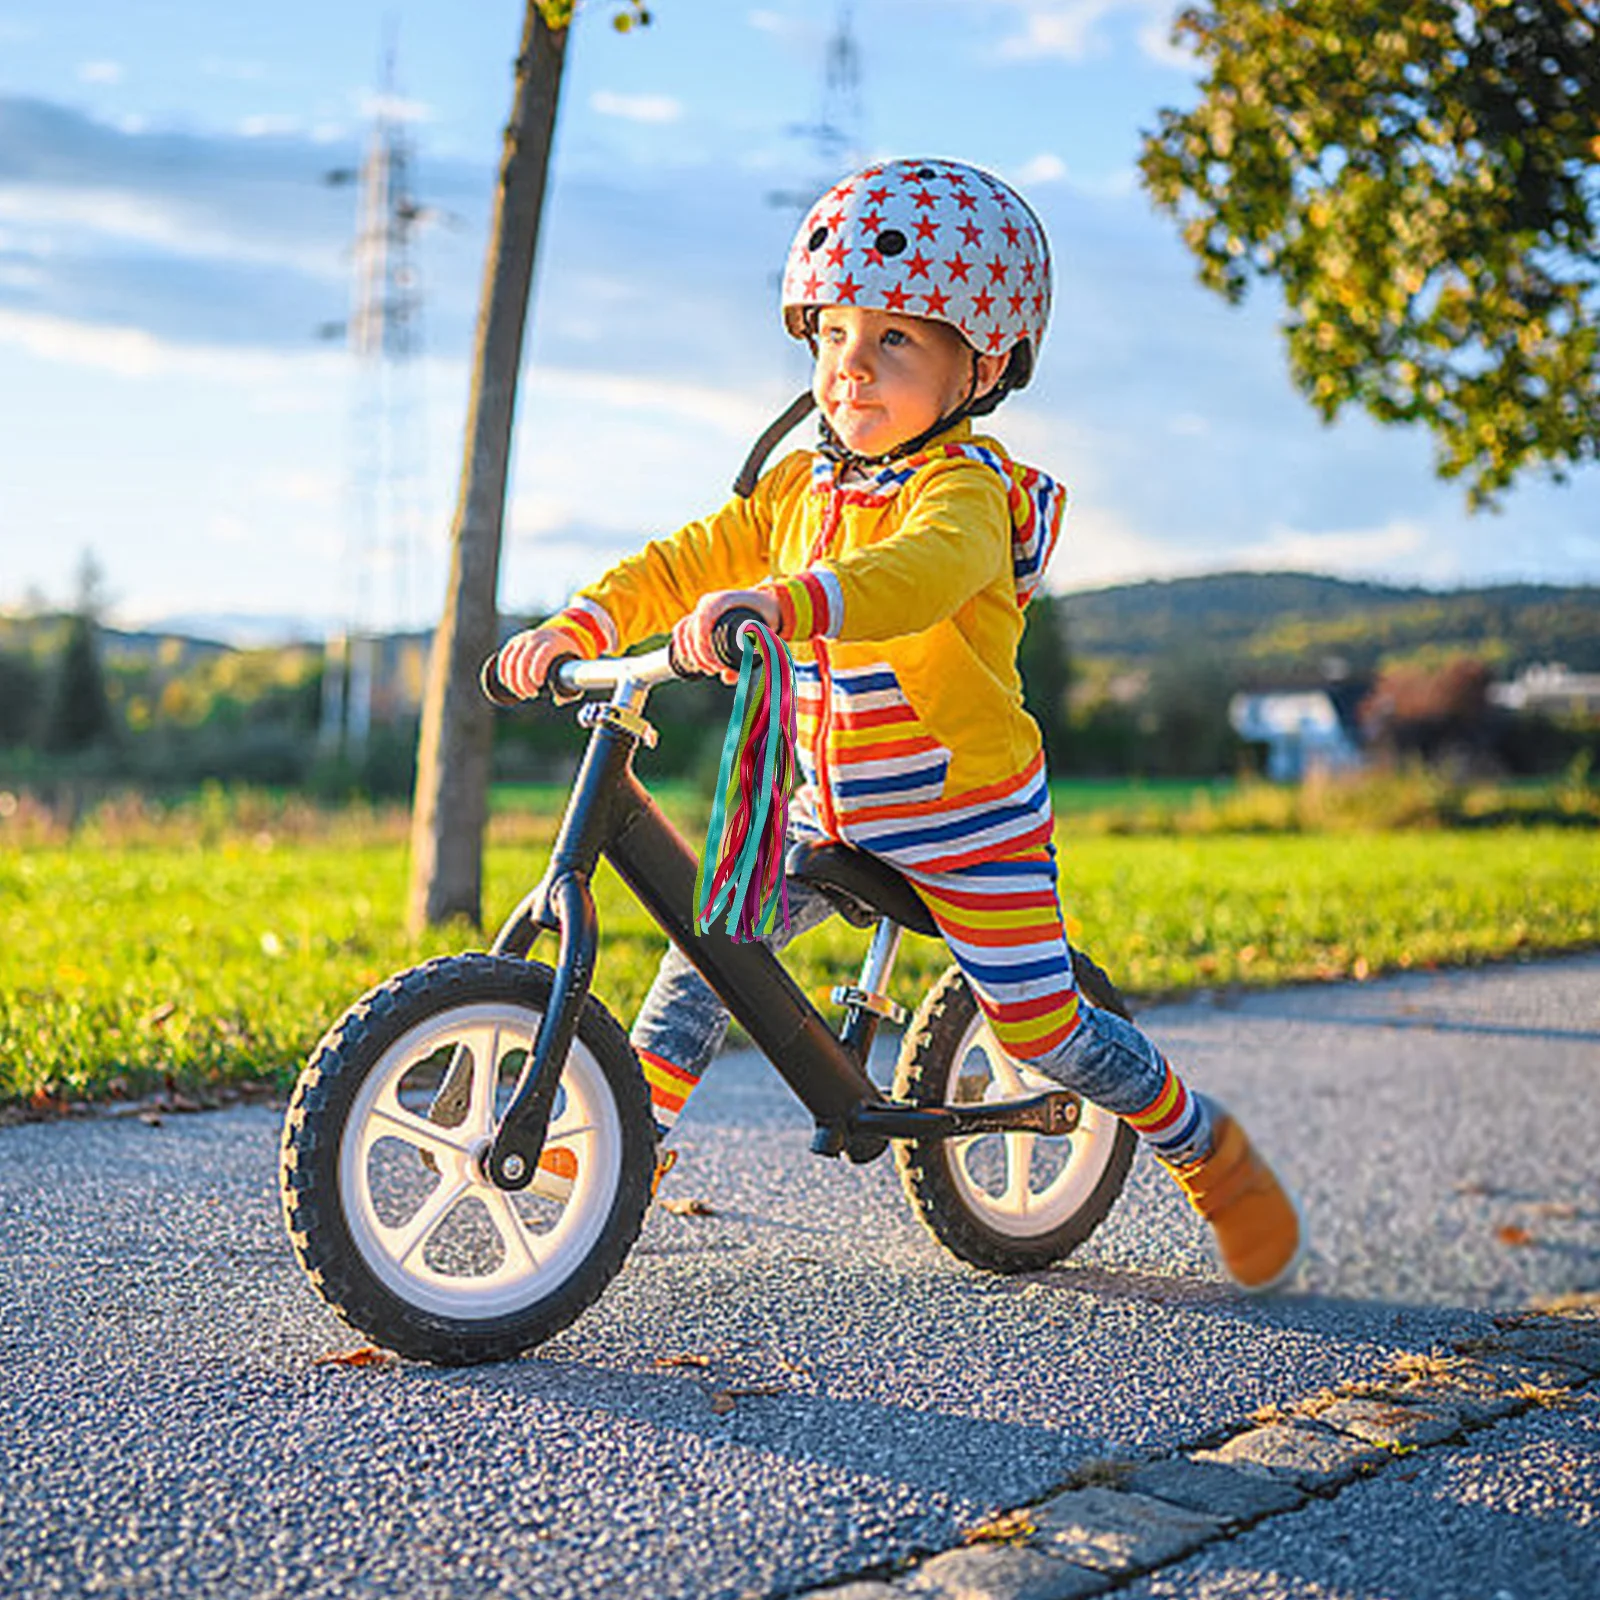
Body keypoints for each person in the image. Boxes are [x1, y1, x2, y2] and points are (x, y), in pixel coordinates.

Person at [493, 158, 1303, 1292]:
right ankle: (621, 1149)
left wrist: (781, 603)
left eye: (895, 343)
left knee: (1043, 1033)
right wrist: (585, 616)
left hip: (963, 811)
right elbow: (688, 558)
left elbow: (906, 579)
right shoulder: (794, 488)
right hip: (822, 795)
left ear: (982, 365)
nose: (850, 370)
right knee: (707, 948)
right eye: (831, 336)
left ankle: (1198, 1144)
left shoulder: (964, 492)